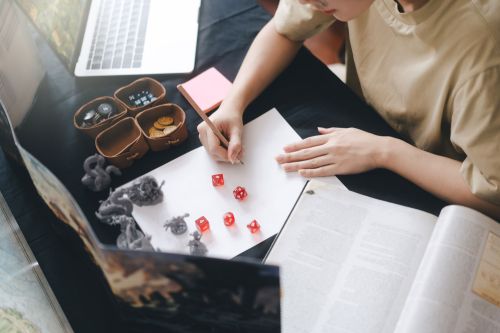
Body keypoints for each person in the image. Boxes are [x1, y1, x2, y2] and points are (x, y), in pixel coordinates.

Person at [197, 0, 500, 219]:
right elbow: (285, 29)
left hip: (437, 173)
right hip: (364, 121)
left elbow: (491, 194)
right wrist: (233, 103)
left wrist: (384, 152)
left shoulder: (483, 53)